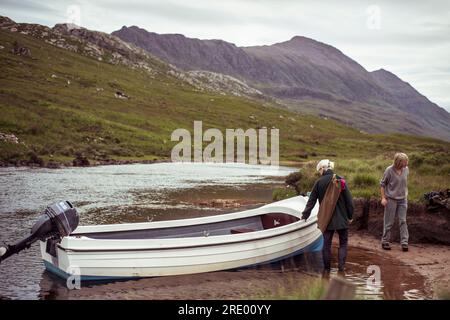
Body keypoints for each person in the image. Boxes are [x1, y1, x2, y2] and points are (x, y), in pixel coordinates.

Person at [301, 159, 354, 274]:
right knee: (343, 243)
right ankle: (341, 269)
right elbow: (349, 201)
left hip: (327, 219)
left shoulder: (318, 182)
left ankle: (326, 270)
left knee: (326, 245)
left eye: (319, 170)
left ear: (322, 169)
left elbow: (311, 201)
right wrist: (350, 216)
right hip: (342, 219)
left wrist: (305, 215)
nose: (319, 173)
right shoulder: (340, 180)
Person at [380, 153, 409, 252]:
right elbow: (382, 185)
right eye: (405, 161)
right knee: (389, 222)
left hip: (403, 199)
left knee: (403, 221)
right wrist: (383, 198)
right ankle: (385, 241)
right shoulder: (389, 170)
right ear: (399, 162)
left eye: (407, 161)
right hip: (391, 199)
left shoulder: (406, 170)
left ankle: (404, 243)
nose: (406, 163)